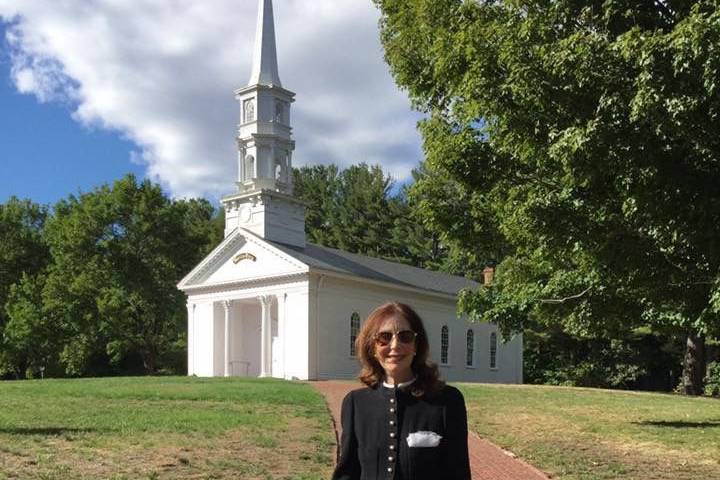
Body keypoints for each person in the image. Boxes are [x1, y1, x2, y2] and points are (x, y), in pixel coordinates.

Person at [332, 302, 471, 480]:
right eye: (384, 337)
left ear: (416, 345)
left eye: (405, 336)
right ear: (372, 348)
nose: (395, 345)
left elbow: (458, 473)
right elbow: (347, 473)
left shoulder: (446, 401)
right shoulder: (355, 403)